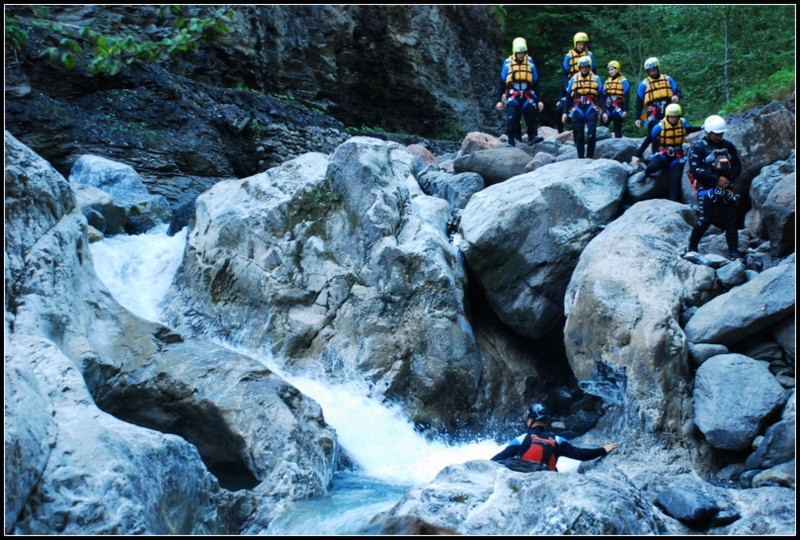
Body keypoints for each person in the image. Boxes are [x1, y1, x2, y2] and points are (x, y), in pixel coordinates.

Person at [491, 403, 619, 472]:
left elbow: (495, 461)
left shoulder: (521, 439)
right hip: (547, 480)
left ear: (530, 421)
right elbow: (581, 454)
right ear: (546, 422)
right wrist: (603, 449)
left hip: (523, 480)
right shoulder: (556, 440)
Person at [686, 114, 744, 260]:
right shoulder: (698, 148)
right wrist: (716, 179)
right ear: (709, 132)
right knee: (705, 219)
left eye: (721, 134)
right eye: (716, 134)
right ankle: (692, 247)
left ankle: (734, 252)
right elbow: (695, 170)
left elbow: (737, 165)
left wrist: (728, 180)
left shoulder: (728, 146)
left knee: (731, 219)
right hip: (706, 188)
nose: (719, 137)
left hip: (725, 188)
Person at [630, 103, 702, 202]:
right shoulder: (660, 126)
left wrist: (702, 127)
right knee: (652, 167)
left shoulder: (682, 122)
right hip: (663, 154)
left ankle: (673, 203)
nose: (673, 118)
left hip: (677, 157)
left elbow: (689, 129)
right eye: (671, 116)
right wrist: (637, 155)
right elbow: (648, 140)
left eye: (675, 116)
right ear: (667, 116)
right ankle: (645, 173)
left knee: (675, 182)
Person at [495, 37, 545, 147]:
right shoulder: (508, 65)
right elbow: (502, 83)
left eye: (523, 53)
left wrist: (539, 100)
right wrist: (499, 100)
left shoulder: (530, 65)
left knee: (531, 117)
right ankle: (512, 141)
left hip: (527, 94)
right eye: (519, 53)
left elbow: (536, 83)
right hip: (514, 95)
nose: (521, 55)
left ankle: (532, 136)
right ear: (515, 52)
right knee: (512, 117)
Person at [634, 57, 682, 151]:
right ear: (647, 71)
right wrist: (637, 118)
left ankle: (674, 151)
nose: (653, 72)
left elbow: (678, 92)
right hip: (653, 111)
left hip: (668, 108)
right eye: (650, 71)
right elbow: (639, 101)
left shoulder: (668, 79)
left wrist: (676, 96)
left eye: (654, 70)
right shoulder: (644, 84)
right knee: (654, 133)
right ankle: (655, 153)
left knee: (671, 130)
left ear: (658, 68)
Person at [562, 55, 605, 159]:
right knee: (579, 134)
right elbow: (568, 97)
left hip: (591, 107)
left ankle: (590, 157)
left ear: (590, 67)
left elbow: (601, 96)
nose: (584, 69)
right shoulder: (573, 79)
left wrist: (604, 111)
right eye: (582, 67)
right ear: (579, 68)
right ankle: (580, 157)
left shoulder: (596, 79)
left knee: (591, 132)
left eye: (586, 67)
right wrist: (565, 113)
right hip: (578, 107)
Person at [602, 60, 629, 138]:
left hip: (618, 107)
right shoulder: (607, 81)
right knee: (603, 127)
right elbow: (603, 96)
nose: (611, 71)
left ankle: (619, 145)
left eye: (612, 69)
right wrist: (603, 110)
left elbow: (627, 96)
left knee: (617, 127)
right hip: (608, 106)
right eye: (609, 70)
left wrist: (625, 110)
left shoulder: (623, 81)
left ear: (617, 69)